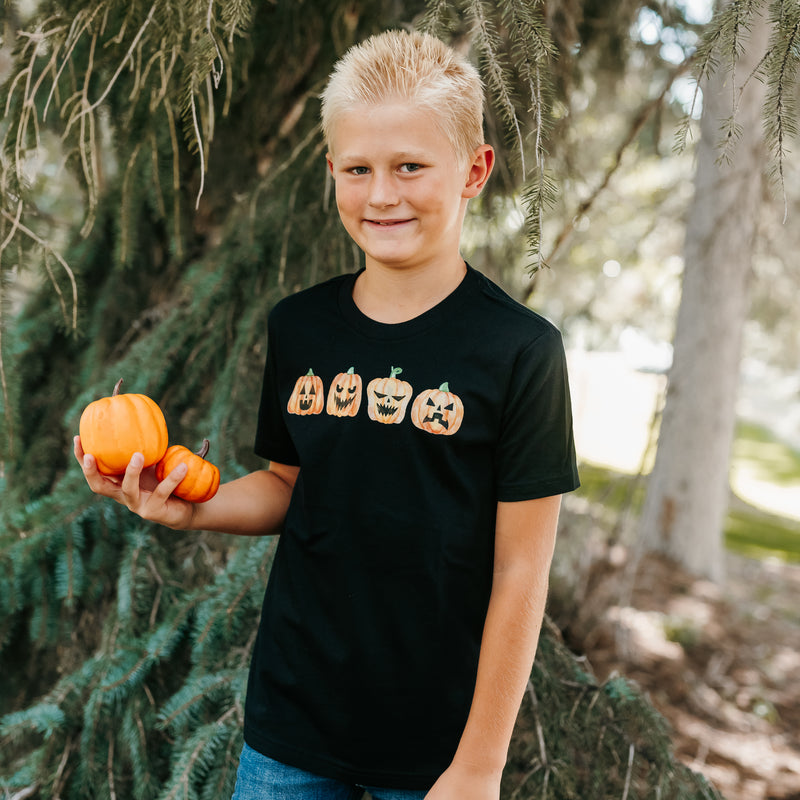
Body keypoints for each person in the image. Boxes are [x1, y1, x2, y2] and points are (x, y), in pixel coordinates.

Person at [75, 29, 579, 800]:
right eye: (359, 169)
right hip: (292, 733)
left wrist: (479, 765)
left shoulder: (521, 352)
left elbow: (521, 571)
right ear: (332, 172)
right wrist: (190, 510)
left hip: (435, 749)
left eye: (410, 166)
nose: (382, 194)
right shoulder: (301, 326)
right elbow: (286, 485)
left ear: (474, 169)